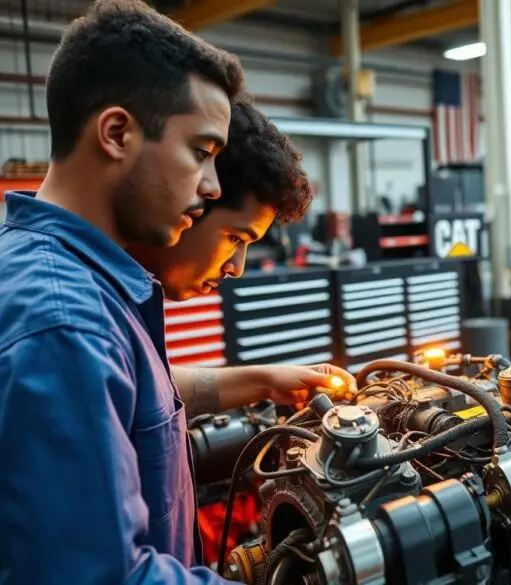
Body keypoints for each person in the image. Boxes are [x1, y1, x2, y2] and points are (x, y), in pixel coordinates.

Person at [0, 2, 321, 584]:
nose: (212, 185)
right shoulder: (65, 321)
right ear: (117, 133)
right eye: (201, 152)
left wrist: (261, 379)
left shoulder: (74, 281)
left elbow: (130, 402)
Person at [128, 98, 349, 419]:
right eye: (235, 238)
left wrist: (266, 381)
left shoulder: (112, 290)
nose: (236, 267)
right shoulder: (69, 313)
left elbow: (139, 386)